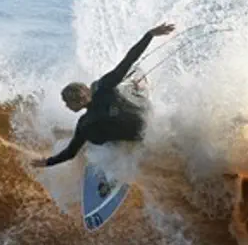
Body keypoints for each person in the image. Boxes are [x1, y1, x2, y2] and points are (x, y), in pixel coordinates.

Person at [31, 22, 175, 168]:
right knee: (97, 130)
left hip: (144, 122)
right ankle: (71, 133)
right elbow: (70, 153)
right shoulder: (86, 122)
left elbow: (128, 61)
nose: (66, 105)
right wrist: (47, 162)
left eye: (67, 102)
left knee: (103, 116)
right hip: (136, 129)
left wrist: (149, 36)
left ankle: (135, 87)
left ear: (79, 100)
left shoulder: (96, 103)